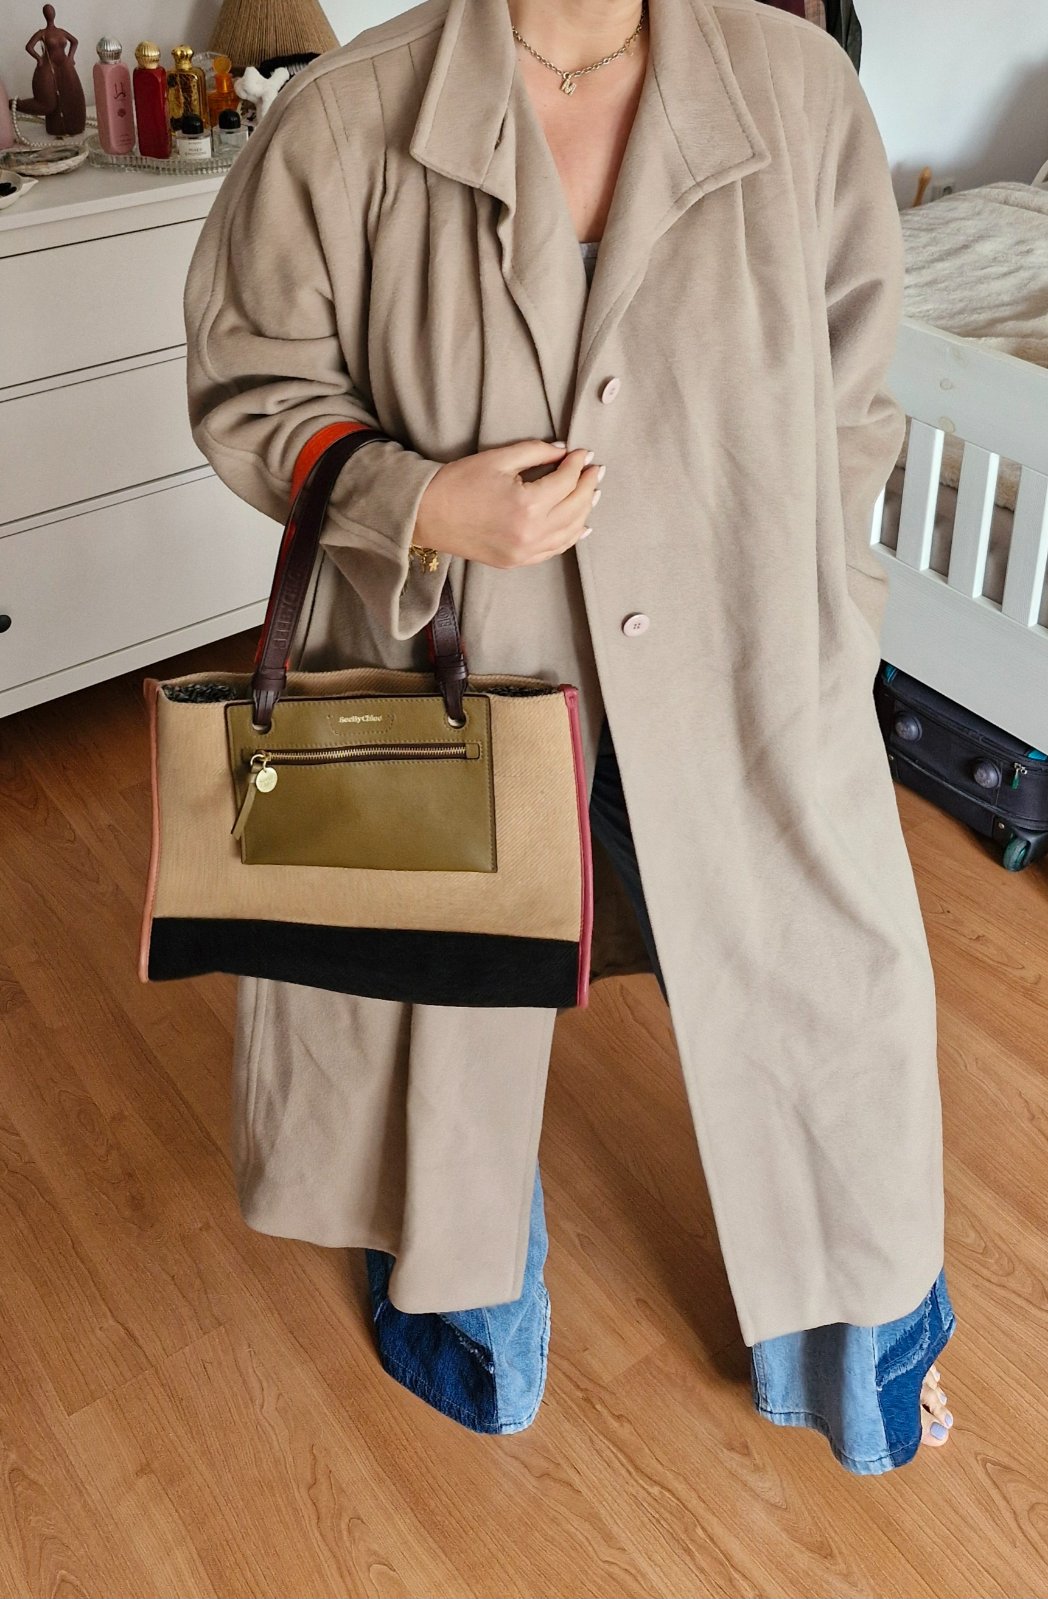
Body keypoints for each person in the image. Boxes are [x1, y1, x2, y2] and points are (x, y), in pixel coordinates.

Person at [183, 0, 957, 1475]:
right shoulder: (345, 115)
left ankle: (865, 1340)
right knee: (447, 1015)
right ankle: (464, 1297)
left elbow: (856, 387)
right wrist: (421, 501)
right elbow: (252, 390)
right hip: (468, 675)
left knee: (830, 985)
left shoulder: (796, 88)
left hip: (745, 667)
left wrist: (824, 601)